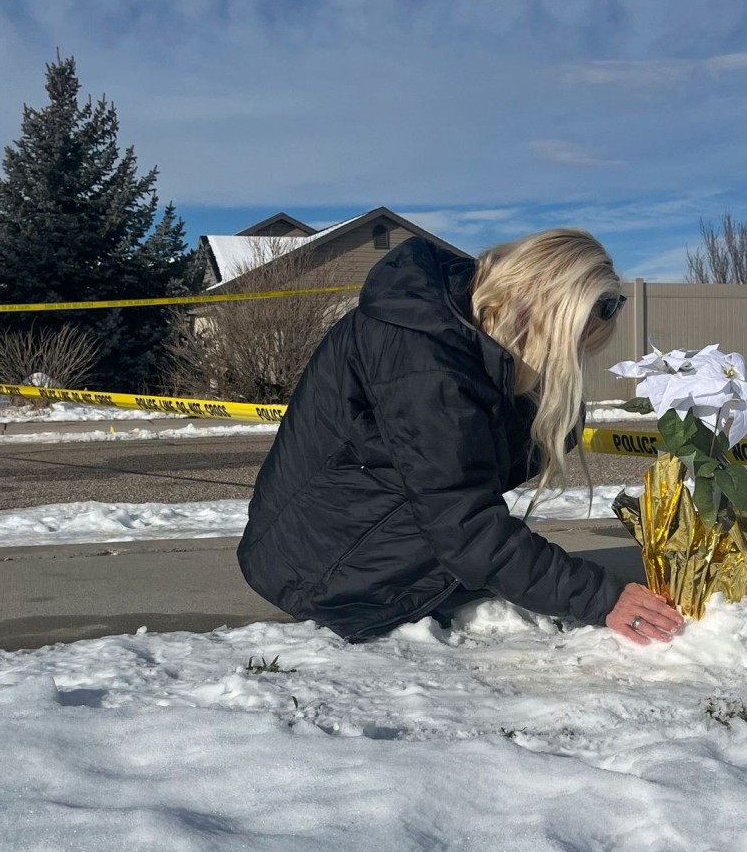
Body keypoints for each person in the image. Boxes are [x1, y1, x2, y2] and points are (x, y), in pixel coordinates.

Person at [238, 228, 683, 645]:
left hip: (330, 544)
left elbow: (461, 480)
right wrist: (600, 598)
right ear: (537, 315)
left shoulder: (451, 327)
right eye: (564, 347)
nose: (560, 365)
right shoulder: (426, 362)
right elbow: (462, 519)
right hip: (322, 574)